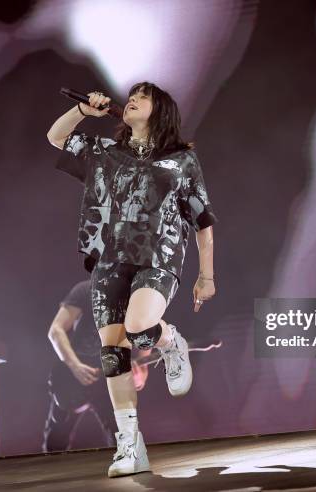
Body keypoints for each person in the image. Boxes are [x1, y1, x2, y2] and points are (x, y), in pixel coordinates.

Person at [46, 82, 217, 476]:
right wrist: (84, 113)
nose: (133, 98)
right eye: (132, 94)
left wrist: (206, 276)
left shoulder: (180, 160)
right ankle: (130, 446)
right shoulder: (106, 152)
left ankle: (171, 341)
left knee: (140, 328)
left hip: (159, 257)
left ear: (161, 110)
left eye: (144, 95)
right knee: (112, 351)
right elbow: (56, 138)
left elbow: (203, 221)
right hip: (109, 261)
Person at [43, 280, 119, 452]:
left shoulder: (138, 295)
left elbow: (145, 331)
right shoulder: (87, 289)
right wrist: (75, 366)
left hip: (110, 376)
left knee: (122, 439)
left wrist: (141, 368)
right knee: (55, 445)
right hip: (74, 376)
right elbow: (56, 330)